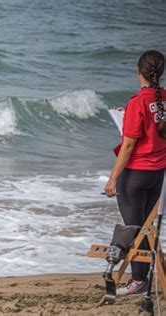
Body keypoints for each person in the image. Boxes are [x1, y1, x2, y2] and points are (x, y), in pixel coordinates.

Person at [104, 50, 166, 295]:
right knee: (146, 227)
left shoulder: (137, 102)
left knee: (133, 227)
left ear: (138, 72)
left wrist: (113, 178)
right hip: (157, 173)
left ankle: (139, 281)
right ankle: (144, 278)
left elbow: (128, 145)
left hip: (135, 175)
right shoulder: (162, 98)